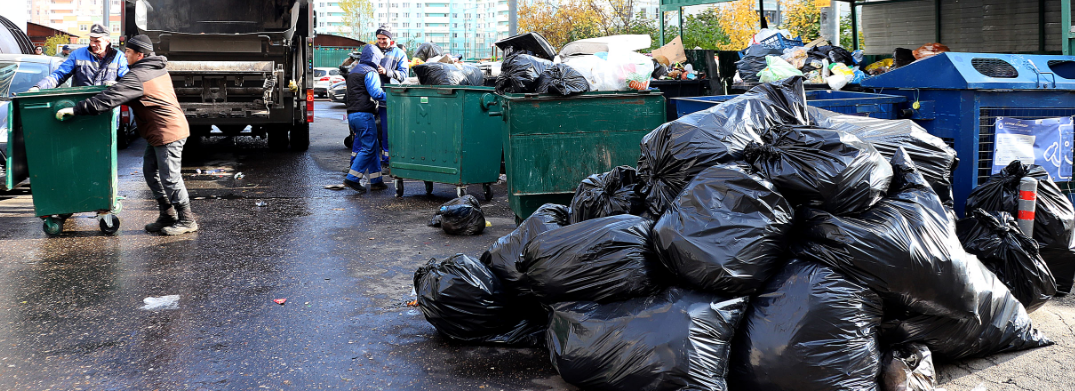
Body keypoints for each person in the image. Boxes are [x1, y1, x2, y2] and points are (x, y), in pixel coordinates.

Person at [55, 34, 198, 236]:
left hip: (166, 132)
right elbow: (131, 91)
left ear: (140, 55)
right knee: (151, 172)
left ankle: (187, 219)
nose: (125, 54)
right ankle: (167, 214)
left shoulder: (138, 76)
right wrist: (118, 87)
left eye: (129, 52)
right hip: (160, 130)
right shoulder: (154, 69)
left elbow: (109, 100)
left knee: (170, 178)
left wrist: (76, 110)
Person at [341, 44, 387, 193]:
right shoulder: (370, 72)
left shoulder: (355, 70)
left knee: (372, 147)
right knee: (368, 148)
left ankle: (377, 180)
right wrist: (393, 97)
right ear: (375, 58)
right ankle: (352, 179)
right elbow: (376, 93)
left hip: (353, 115)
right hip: (364, 115)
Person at [32, 24, 128, 90]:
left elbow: (127, 80)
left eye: (97, 41)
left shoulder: (119, 57)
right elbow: (59, 75)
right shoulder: (77, 55)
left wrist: (118, 86)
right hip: (82, 107)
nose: (93, 44)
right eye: (91, 40)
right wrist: (39, 87)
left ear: (107, 41)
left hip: (108, 108)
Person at [372, 26, 408, 166]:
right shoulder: (371, 51)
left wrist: (386, 72)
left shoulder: (399, 54)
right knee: (369, 131)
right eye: (379, 39)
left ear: (390, 39)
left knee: (387, 131)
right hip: (370, 98)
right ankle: (372, 160)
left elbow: (404, 75)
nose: (381, 41)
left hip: (388, 99)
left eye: (384, 39)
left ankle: (387, 160)